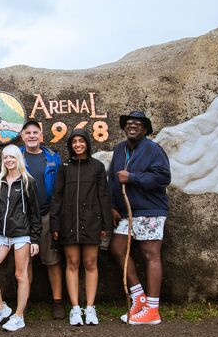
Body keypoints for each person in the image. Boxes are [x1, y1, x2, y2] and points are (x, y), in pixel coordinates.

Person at [108, 111, 171, 325]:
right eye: (129, 123)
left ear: (144, 129)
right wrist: (112, 206)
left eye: (137, 123)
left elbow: (163, 177)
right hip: (126, 212)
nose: (132, 126)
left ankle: (152, 310)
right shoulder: (119, 149)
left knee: (150, 254)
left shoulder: (153, 149)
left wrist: (132, 177)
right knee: (117, 248)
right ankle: (139, 298)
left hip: (150, 210)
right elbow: (111, 179)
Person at [49, 128, 112, 326]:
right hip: (68, 222)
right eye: (74, 141)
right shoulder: (64, 167)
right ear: (70, 144)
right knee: (72, 263)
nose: (78, 144)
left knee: (91, 263)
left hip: (92, 221)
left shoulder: (97, 167)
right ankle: (75, 308)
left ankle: (90, 308)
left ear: (87, 143)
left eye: (81, 141)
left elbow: (103, 195)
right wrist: (55, 223)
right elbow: (57, 197)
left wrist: (105, 223)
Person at [0, 144, 41, 332]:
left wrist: (35, 239)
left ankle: (19, 316)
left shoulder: (27, 181)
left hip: (21, 235)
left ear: (18, 159)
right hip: (1, 235)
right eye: (5, 157)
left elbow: (34, 213)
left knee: (20, 275)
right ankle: (1, 308)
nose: (8, 160)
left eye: (12, 157)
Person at [18, 119, 64, 319]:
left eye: (35, 132)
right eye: (28, 132)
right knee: (25, 262)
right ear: (22, 136)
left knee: (52, 260)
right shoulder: (15, 156)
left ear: (41, 135)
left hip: (46, 215)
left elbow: (60, 189)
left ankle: (57, 302)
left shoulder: (53, 158)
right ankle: (24, 302)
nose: (31, 136)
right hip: (23, 217)